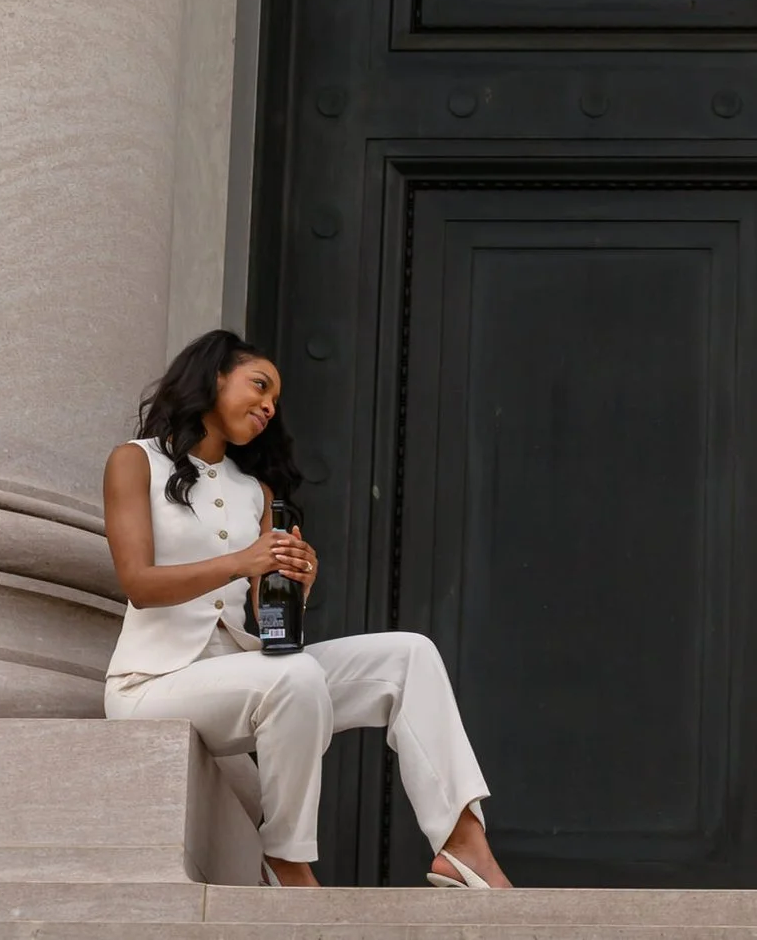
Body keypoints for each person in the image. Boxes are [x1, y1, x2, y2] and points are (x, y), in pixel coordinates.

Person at [101, 330, 511, 889]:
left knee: (408, 654)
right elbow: (139, 583)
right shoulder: (135, 462)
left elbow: (269, 627)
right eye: (260, 386)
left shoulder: (257, 492)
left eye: (275, 400)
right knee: (291, 676)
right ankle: (287, 858)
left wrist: (293, 585)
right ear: (214, 376)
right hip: (153, 684)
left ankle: (463, 845)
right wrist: (244, 559)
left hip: (244, 675)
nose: (269, 407)